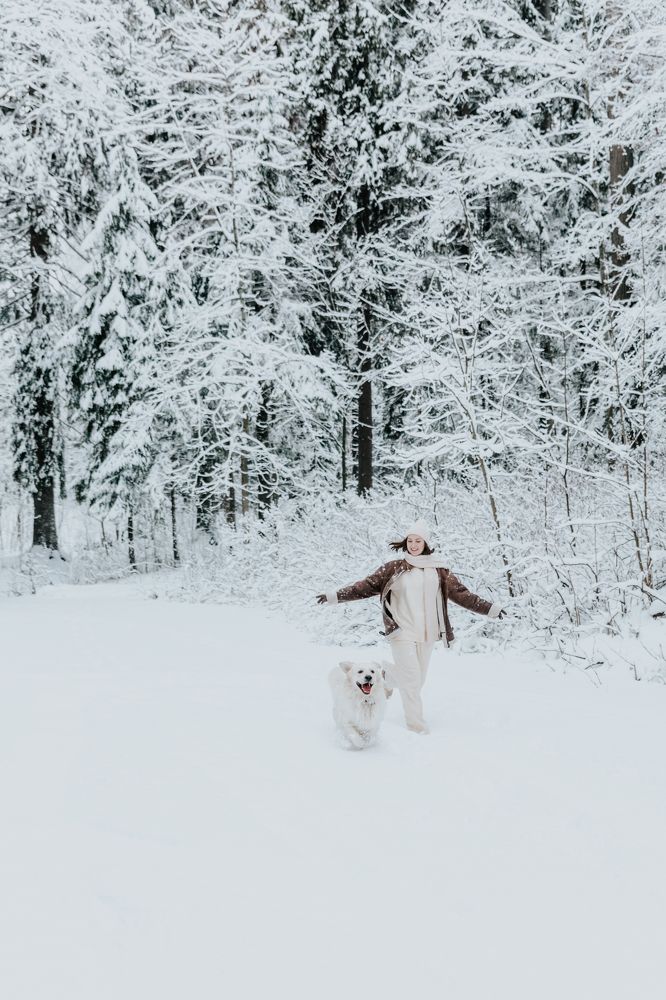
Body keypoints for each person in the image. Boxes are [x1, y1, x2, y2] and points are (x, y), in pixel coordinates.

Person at [316, 519, 504, 734]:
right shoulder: (395, 568)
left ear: (426, 543)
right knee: (412, 680)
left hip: (428, 633)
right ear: (406, 543)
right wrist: (335, 596)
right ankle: (416, 726)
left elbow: (462, 595)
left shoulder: (439, 571)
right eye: (410, 540)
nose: (414, 544)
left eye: (418, 540)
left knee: (417, 680)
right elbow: (365, 587)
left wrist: (490, 609)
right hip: (401, 631)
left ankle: (385, 676)